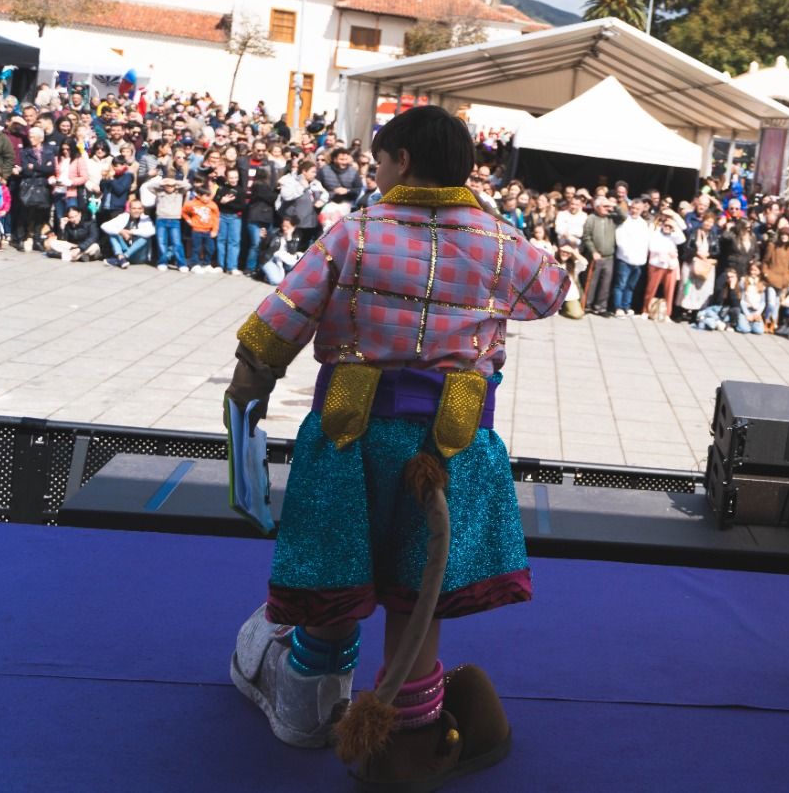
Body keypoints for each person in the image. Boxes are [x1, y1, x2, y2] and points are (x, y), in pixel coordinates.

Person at [227, 105, 568, 787]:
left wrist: (247, 387)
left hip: (354, 437)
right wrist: (491, 231)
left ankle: (308, 703)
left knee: (334, 573)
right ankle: (406, 737)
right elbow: (552, 291)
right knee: (420, 594)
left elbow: (285, 316)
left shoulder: (355, 231)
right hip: (448, 447)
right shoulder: (499, 239)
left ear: (403, 161)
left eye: (380, 161)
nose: (376, 173)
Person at [610, 197, 650, 317]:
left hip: (638, 261)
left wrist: (643, 257)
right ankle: (617, 307)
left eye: (637, 209)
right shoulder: (624, 220)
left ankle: (626, 306)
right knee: (620, 284)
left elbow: (645, 241)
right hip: (625, 259)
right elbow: (620, 239)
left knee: (631, 286)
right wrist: (628, 254)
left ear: (642, 209)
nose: (634, 211)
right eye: (633, 208)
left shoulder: (643, 223)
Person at [580, 195, 618, 317]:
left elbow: (623, 216)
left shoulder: (611, 218)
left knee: (605, 283)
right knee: (591, 281)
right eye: (604, 206)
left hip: (609, 256)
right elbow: (586, 237)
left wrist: (613, 206)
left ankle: (600, 307)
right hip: (595, 255)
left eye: (608, 206)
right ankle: (587, 305)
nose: (607, 208)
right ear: (597, 207)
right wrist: (593, 251)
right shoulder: (591, 218)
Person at [102, 198, 155, 268]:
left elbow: (152, 231)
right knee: (113, 233)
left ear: (142, 210)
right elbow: (104, 226)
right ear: (129, 209)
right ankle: (121, 257)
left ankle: (122, 258)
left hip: (139, 256)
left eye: (139, 208)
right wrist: (121, 231)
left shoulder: (146, 219)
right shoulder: (124, 216)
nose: (137, 211)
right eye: (134, 208)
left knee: (145, 238)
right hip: (126, 248)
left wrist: (131, 232)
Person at [182, 178, 220, 272]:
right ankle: (194, 264)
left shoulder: (213, 205)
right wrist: (189, 220)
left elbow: (216, 218)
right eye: (206, 196)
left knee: (210, 248)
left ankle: (207, 264)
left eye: (209, 196)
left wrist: (214, 230)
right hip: (196, 230)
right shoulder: (191, 204)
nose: (208, 198)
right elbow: (184, 212)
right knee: (196, 248)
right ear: (199, 195)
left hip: (208, 230)